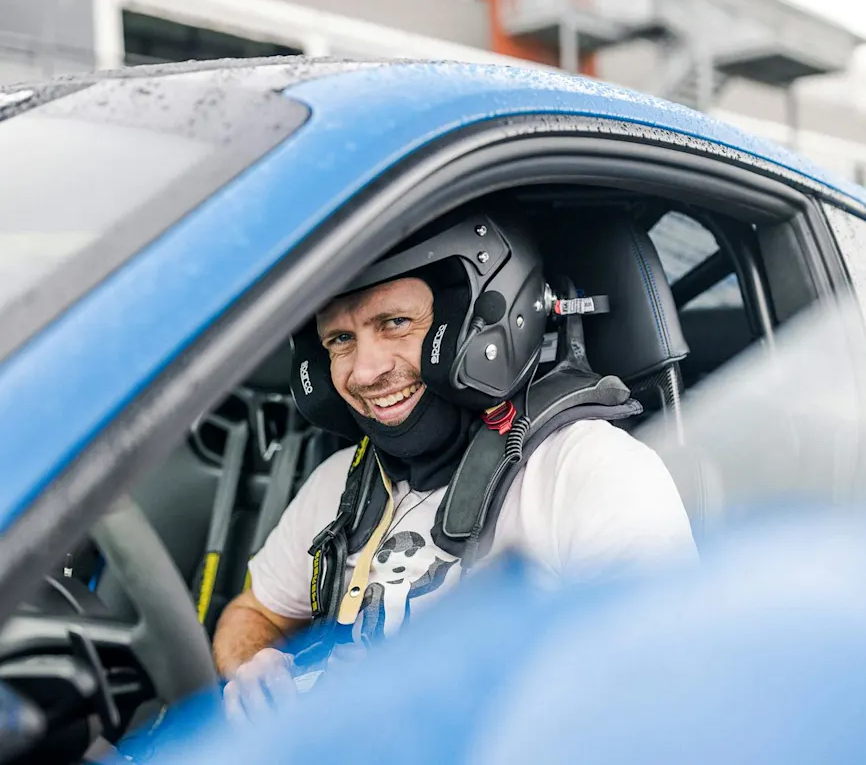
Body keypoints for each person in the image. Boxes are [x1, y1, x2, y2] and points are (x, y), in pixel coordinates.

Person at [210, 212, 696, 720]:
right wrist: (252, 665)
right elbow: (252, 612)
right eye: (340, 340)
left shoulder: (591, 472)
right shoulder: (341, 483)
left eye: (395, 323)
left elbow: (663, 702)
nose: (365, 372)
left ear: (475, 327)